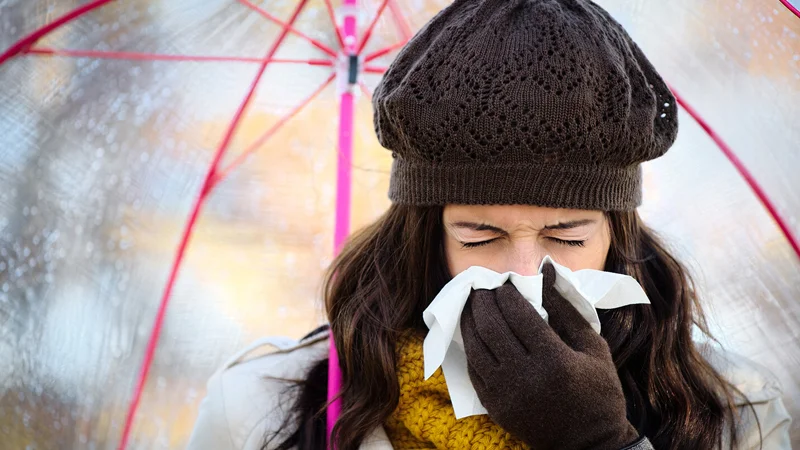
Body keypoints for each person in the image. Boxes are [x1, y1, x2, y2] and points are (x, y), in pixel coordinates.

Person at [186, 0, 792, 449]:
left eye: (567, 237)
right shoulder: (263, 407)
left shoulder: (735, 413)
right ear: (425, 238)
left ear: (617, 236)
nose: (525, 274)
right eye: (481, 237)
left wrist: (599, 441)